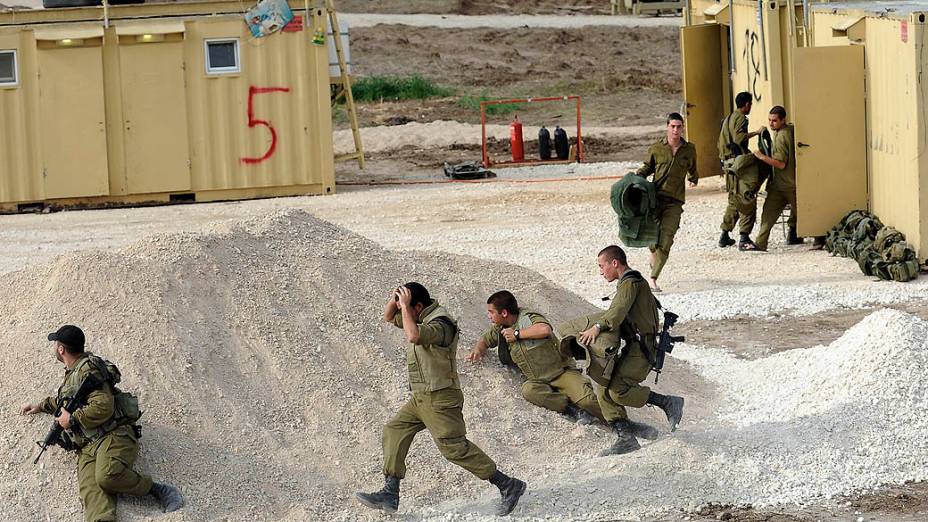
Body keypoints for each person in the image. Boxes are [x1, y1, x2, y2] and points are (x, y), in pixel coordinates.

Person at [357, 283, 526, 516]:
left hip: (440, 398)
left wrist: (404, 306)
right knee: (394, 430)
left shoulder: (441, 324)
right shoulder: (418, 315)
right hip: (422, 397)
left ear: (418, 306)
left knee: (454, 449)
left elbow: (414, 336)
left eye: (406, 306)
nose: (401, 310)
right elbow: (389, 317)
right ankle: (390, 492)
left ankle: (508, 485)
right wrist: (396, 299)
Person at [20, 325, 183, 522]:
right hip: (88, 446)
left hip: (113, 435)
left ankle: (158, 490)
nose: (54, 347)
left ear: (61, 349)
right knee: (93, 494)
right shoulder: (74, 372)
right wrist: (41, 405)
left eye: (56, 344)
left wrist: (71, 420)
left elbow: (104, 405)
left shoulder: (87, 368)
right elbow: (66, 401)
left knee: (107, 477)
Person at [559, 246, 685, 457]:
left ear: (614, 263)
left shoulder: (630, 282)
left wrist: (596, 328)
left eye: (602, 266)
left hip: (642, 349)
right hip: (634, 345)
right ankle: (626, 438)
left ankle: (668, 402)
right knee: (603, 386)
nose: (601, 271)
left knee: (618, 390)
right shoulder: (628, 283)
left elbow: (616, 312)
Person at [467, 290, 602, 425]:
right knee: (529, 391)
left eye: (491, 312)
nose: (489, 316)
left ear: (504, 313)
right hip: (538, 380)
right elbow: (485, 340)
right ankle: (573, 410)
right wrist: (478, 350)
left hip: (561, 373)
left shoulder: (527, 318)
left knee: (588, 400)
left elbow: (545, 330)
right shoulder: (500, 328)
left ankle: (617, 421)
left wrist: (517, 334)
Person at [635, 112, 699, 292]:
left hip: (675, 201)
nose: (676, 130)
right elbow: (648, 167)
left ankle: (653, 278)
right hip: (655, 199)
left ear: (683, 128)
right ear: (667, 127)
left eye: (679, 126)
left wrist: (694, 179)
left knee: (667, 238)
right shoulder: (657, 148)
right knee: (652, 238)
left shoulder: (689, 149)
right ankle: (653, 252)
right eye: (673, 126)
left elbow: (693, 168)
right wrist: (637, 177)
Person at [718, 92, 765, 250]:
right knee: (746, 199)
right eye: (750, 104)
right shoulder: (741, 119)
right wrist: (756, 133)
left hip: (729, 165)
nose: (750, 107)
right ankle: (744, 238)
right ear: (746, 104)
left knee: (734, 200)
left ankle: (724, 235)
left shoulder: (729, 118)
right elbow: (739, 139)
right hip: (738, 165)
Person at [753, 105, 803, 251]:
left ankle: (761, 242)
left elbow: (781, 164)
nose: (771, 123)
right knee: (795, 211)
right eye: (769, 120)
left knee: (769, 213)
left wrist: (762, 157)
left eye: (774, 121)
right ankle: (791, 236)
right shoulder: (790, 130)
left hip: (785, 184)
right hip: (789, 183)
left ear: (782, 120)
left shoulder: (781, 137)